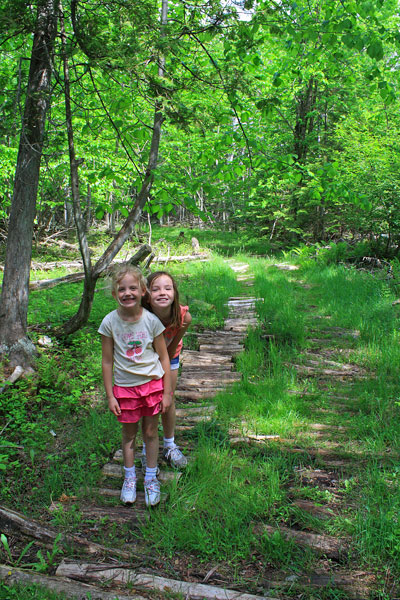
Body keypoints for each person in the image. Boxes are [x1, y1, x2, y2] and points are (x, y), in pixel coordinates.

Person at [98, 265, 172, 507]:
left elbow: (164, 358)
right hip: (125, 389)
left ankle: (151, 477)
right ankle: (129, 477)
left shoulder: (151, 321)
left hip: (151, 386)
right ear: (114, 294)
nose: (127, 293)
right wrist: (110, 396)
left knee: (150, 432)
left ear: (143, 291)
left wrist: (167, 392)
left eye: (133, 288)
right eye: (121, 289)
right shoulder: (109, 323)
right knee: (129, 435)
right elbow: (107, 361)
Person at [142, 271, 192, 469]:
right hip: (145, 359)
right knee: (147, 400)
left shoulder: (182, 315)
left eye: (167, 288)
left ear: (174, 292)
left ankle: (169, 445)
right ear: (146, 294)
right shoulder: (141, 314)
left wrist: (162, 370)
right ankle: (148, 446)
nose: (162, 293)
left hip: (169, 356)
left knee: (167, 398)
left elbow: (172, 348)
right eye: (155, 289)